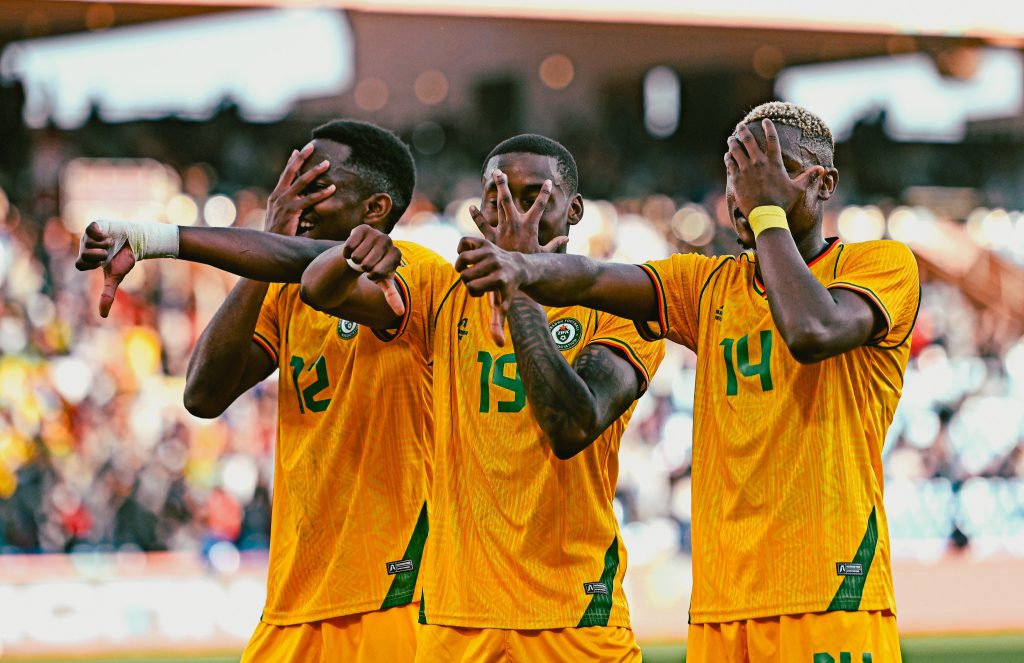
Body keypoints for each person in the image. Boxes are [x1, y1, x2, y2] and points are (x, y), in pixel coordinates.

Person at [455, 103, 919, 662]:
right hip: (720, 610)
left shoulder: (882, 265)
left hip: (830, 594)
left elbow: (811, 329)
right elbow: (596, 276)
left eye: (771, 168)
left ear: (823, 184)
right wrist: (522, 267)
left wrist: (768, 211)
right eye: (736, 171)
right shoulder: (706, 285)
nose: (746, 188)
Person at [75, 120, 444, 662]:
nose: (295, 196)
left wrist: (158, 240)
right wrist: (265, 253)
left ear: (374, 209)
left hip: (393, 594)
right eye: (290, 179)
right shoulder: (284, 293)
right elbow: (203, 394)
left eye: (316, 182)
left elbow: (319, 275)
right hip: (294, 596)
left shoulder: (412, 270)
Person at [299, 134, 665, 662]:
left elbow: (570, 426)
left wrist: (518, 282)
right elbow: (316, 289)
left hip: (572, 614)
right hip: (456, 619)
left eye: (535, 195)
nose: (516, 214)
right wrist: (351, 258)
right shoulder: (437, 290)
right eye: (498, 198)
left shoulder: (614, 304)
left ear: (575, 210)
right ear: (479, 210)